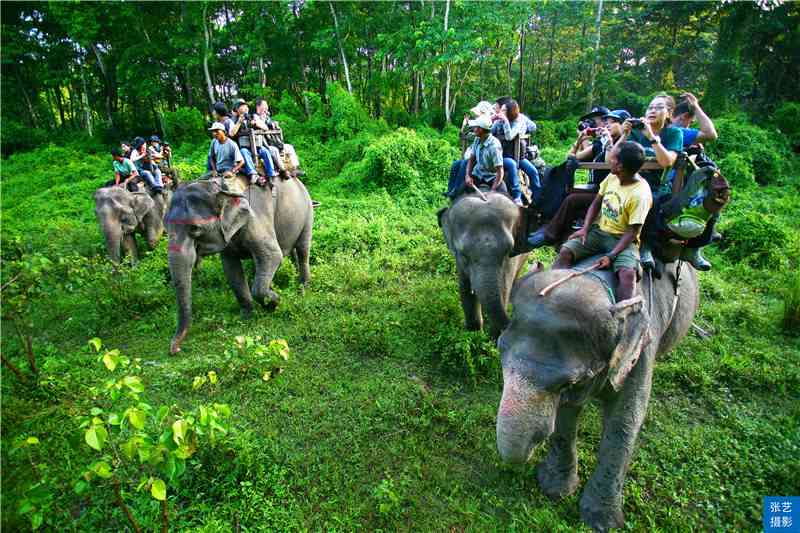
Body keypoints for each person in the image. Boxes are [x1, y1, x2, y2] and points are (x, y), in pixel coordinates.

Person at [553, 141, 652, 302]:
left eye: (612, 158)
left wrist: (611, 256)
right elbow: (596, 202)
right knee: (565, 251)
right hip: (599, 231)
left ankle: (622, 316)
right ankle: (551, 288)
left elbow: (632, 231)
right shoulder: (612, 177)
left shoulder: (640, 194)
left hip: (623, 240)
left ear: (619, 166)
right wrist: (585, 228)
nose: (608, 161)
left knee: (627, 274)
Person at [528, 110, 632, 248]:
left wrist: (608, 141)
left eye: (612, 123)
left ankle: (550, 235)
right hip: (597, 187)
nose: (607, 125)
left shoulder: (626, 145)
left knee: (572, 199)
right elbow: (572, 157)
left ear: (624, 125)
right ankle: (545, 221)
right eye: (606, 122)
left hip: (611, 193)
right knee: (562, 187)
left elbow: (609, 162)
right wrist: (580, 140)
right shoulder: (599, 144)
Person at [491, 99, 540, 206]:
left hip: (519, 156)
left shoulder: (519, 121)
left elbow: (509, 136)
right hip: (504, 155)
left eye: (504, 110)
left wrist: (506, 122)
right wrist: (491, 120)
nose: (501, 112)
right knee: (512, 165)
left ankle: (537, 199)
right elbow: (490, 131)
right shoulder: (499, 121)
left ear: (510, 112)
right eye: (501, 110)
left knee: (533, 171)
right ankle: (517, 196)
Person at [446, 115, 507, 199]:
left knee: (504, 197)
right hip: (478, 174)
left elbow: (500, 172)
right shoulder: (477, 139)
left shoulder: (494, 146)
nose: (473, 129)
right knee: (460, 192)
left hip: (492, 177)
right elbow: (471, 159)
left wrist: (492, 191)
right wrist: (468, 176)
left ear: (480, 129)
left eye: (475, 127)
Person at [229, 100, 274, 184]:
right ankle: (253, 173)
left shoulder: (253, 117)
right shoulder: (233, 120)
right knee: (243, 152)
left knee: (265, 151)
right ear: (237, 110)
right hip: (245, 147)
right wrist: (239, 122)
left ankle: (271, 175)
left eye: (246, 106)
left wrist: (256, 124)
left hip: (257, 146)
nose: (245, 108)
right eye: (242, 106)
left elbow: (266, 128)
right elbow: (231, 133)